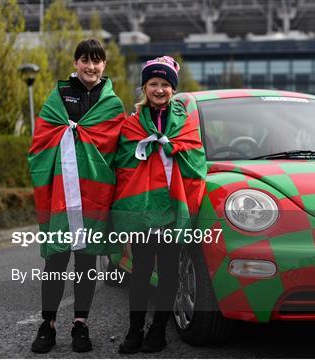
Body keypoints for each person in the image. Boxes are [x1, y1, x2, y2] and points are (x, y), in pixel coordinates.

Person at [27, 39, 126, 353]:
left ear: (104, 65)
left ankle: (80, 324)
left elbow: (118, 151)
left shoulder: (112, 105)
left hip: (93, 194)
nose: (90, 66)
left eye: (96, 61)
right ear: (75, 62)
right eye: (85, 60)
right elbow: (40, 141)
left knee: (86, 260)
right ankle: (48, 324)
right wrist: (67, 133)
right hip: (61, 192)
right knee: (56, 258)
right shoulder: (57, 96)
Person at [112, 56, 206, 353]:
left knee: (168, 274)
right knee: (139, 273)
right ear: (145, 87)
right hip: (143, 210)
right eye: (153, 83)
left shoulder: (185, 124)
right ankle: (134, 330)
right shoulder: (132, 125)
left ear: (173, 88)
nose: (159, 89)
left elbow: (197, 159)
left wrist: (172, 146)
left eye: (165, 84)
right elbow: (122, 164)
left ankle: (158, 331)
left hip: (171, 210)